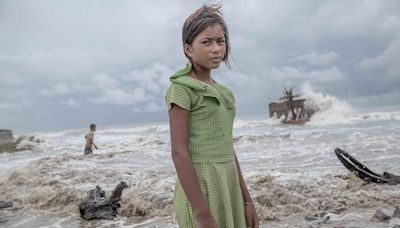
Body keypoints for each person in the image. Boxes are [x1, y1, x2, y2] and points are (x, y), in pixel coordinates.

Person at [165, 4, 259, 228]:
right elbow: (179, 153)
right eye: (206, 42)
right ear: (188, 49)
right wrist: (202, 214)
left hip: (228, 184)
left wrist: (246, 198)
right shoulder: (182, 89)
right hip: (201, 186)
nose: (216, 48)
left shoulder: (224, 93)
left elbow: (228, 146)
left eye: (221, 41)